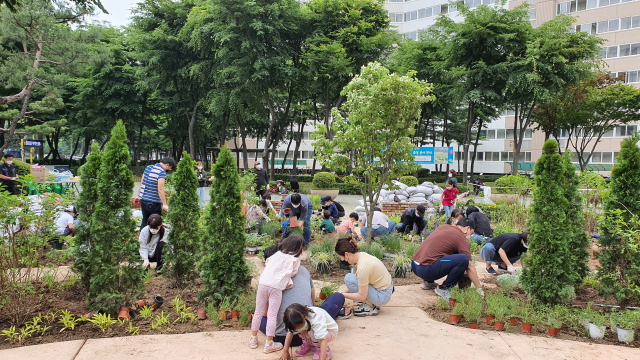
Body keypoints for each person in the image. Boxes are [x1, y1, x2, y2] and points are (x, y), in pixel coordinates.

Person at [259, 246, 346, 350]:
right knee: (337, 297)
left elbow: (266, 313)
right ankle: (327, 323)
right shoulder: (303, 269)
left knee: (258, 318)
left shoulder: (268, 278)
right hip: (311, 331)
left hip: (282, 338)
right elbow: (312, 300)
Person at [250, 235, 304, 353]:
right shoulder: (295, 259)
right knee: (272, 315)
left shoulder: (277, 254)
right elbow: (293, 273)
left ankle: (253, 339)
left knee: (258, 311)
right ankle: (269, 343)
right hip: (276, 288)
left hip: (263, 283)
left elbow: (267, 263)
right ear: (299, 248)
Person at [411, 218, 483, 300]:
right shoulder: (461, 238)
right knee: (463, 259)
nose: (469, 236)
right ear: (467, 229)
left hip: (414, 265)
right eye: (471, 233)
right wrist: (479, 288)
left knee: (438, 255)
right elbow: (470, 266)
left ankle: (428, 282)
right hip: (426, 270)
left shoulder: (444, 227)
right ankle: (443, 289)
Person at [335, 236, 394, 316]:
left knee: (349, 278)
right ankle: (371, 302)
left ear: (347, 255)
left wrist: (341, 295)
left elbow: (361, 296)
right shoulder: (360, 256)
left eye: (340, 257)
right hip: (385, 288)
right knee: (352, 274)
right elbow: (354, 283)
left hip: (382, 296)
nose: (341, 260)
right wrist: (340, 295)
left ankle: (369, 307)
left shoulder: (363, 266)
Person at [137, 157, 176, 231]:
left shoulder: (148, 168)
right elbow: (160, 189)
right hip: (154, 202)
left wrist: (138, 195)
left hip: (144, 200)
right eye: (170, 168)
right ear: (167, 165)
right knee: (155, 223)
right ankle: (154, 241)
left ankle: (142, 240)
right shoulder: (161, 172)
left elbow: (142, 183)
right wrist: (164, 204)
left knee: (145, 221)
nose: (169, 170)